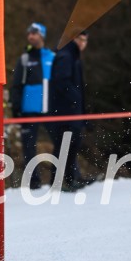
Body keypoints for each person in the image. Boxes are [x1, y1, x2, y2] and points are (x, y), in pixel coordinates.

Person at [10, 23, 54, 189]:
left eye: (34, 33)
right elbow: (16, 85)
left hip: (50, 109)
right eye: (29, 33)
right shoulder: (25, 58)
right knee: (29, 146)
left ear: (42, 35)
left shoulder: (51, 56)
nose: (30, 36)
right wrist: (16, 109)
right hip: (29, 110)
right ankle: (34, 181)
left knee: (61, 141)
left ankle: (60, 177)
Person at [47, 30, 88, 191]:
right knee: (65, 146)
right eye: (80, 39)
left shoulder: (71, 55)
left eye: (85, 40)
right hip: (65, 112)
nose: (82, 44)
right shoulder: (66, 56)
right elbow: (62, 81)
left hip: (69, 111)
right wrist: (76, 97)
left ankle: (69, 179)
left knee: (70, 146)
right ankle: (60, 181)